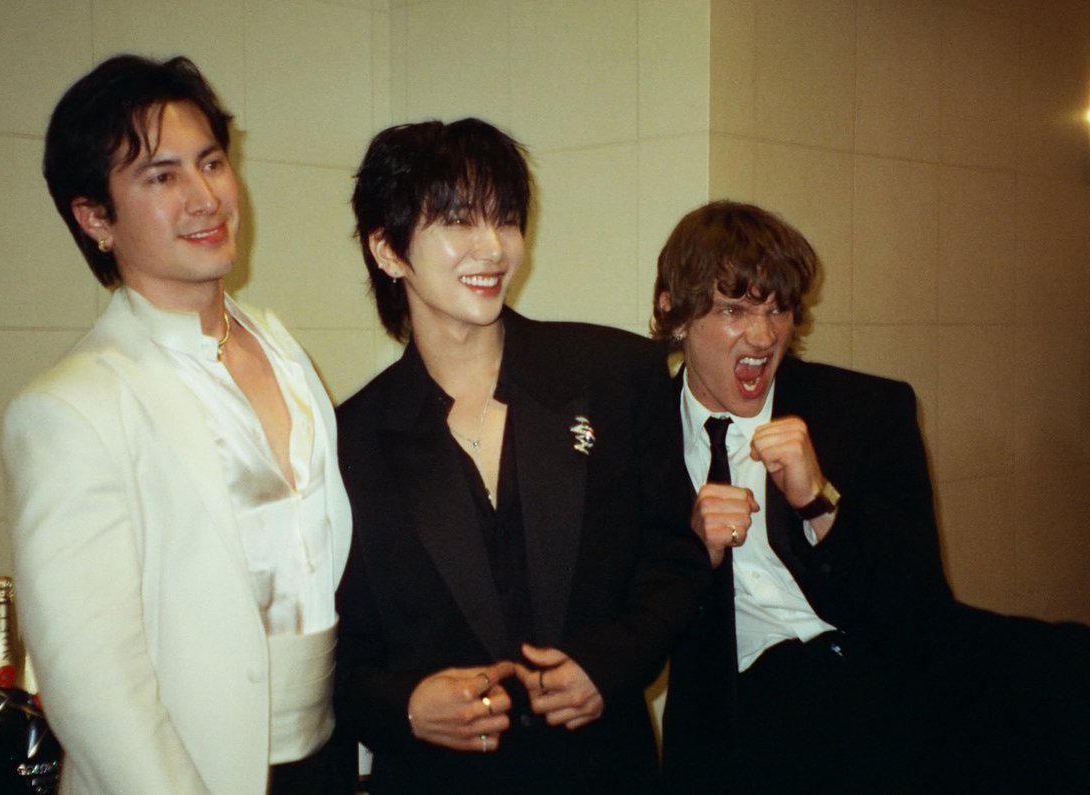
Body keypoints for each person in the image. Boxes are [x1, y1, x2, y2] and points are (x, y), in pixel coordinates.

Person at [1, 55, 352, 794]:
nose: (206, 198)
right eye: (161, 177)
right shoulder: (71, 406)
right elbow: (95, 686)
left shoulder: (283, 349)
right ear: (95, 216)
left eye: (212, 162)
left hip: (323, 758)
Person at [654, 200, 1090, 792]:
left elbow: (919, 601)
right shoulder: (636, 434)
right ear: (674, 313)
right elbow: (631, 619)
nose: (763, 336)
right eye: (734, 309)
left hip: (887, 668)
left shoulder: (863, 411)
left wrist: (819, 504)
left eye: (778, 308)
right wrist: (691, 555)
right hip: (746, 711)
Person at [334, 118, 710, 794]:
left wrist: (610, 663)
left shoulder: (615, 374)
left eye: (505, 219)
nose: (493, 248)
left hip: (603, 771)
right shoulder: (350, 439)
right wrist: (409, 707)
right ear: (388, 249)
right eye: (457, 222)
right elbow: (337, 654)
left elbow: (675, 561)